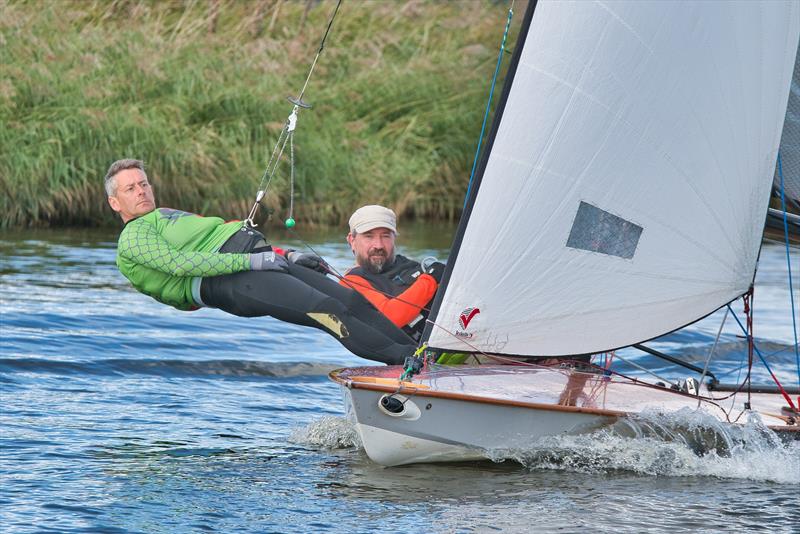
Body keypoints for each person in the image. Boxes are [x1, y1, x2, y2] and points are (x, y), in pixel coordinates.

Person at [105, 159, 416, 365]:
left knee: (352, 299)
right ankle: (408, 362)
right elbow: (179, 265)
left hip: (258, 261)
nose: (141, 191)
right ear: (115, 202)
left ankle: (423, 355)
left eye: (144, 184)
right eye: (130, 188)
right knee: (328, 310)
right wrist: (252, 263)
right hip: (235, 281)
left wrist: (288, 255)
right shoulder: (132, 236)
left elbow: (228, 236)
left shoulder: (164, 215)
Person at [340, 205, 445, 342]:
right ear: (352, 241)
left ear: (394, 238)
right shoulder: (351, 282)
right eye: (368, 236)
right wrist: (431, 279)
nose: (378, 245)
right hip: (412, 356)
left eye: (385, 236)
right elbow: (389, 318)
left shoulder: (411, 266)